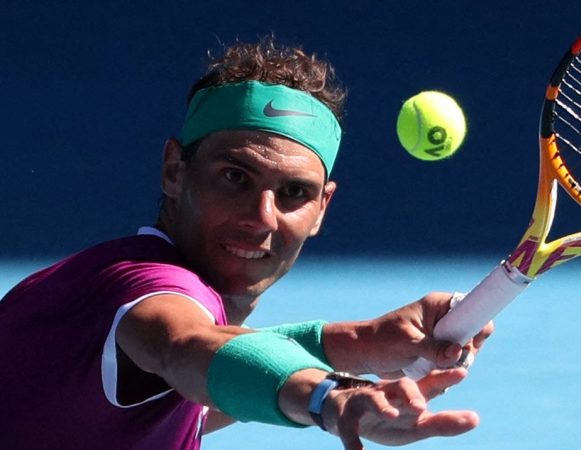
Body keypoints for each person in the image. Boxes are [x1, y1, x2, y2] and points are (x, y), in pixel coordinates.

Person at [0, 37, 491, 450]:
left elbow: (200, 392)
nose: (262, 216)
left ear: (322, 207)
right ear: (174, 171)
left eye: (294, 192)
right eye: (235, 177)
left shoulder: (100, 293)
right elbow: (188, 349)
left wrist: (358, 344)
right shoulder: (148, 289)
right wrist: (328, 396)